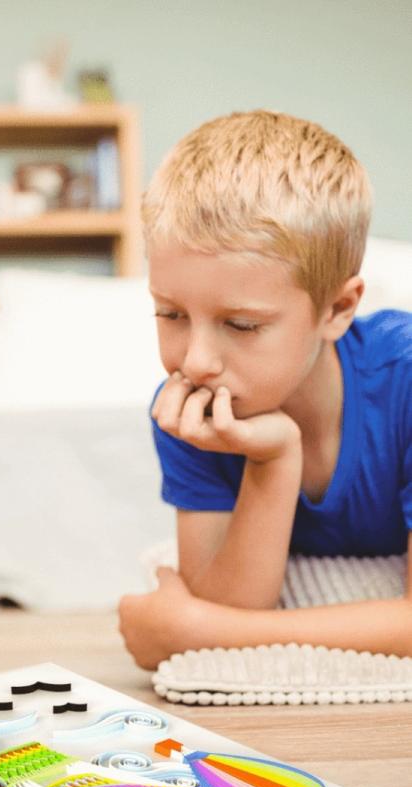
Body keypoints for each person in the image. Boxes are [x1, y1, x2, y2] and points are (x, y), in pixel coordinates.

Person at [118, 110, 411, 669]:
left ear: (339, 309)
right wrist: (275, 459)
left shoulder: (405, 378)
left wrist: (200, 631)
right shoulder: (192, 411)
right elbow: (228, 605)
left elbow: (210, 624)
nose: (197, 361)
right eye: (170, 313)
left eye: (242, 325)